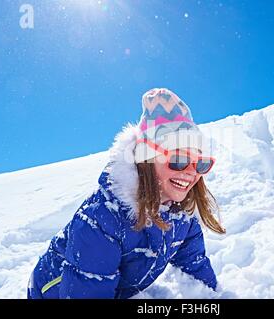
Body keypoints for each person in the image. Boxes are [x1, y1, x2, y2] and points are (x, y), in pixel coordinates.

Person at [27, 88, 225, 298]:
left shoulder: (183, 216)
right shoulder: (102, 219)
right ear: (146, 158)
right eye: (179, 160)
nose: (191, 172)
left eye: (200, 163)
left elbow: (194, 266)